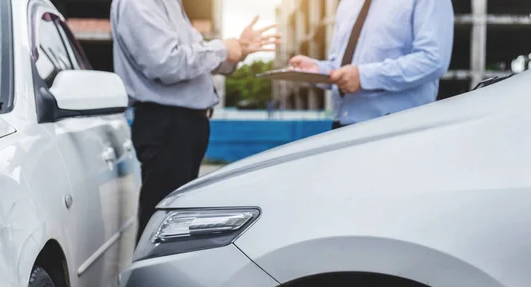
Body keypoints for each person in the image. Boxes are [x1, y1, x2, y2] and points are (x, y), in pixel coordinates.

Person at [111, 0, 279, 240]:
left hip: (180, 125)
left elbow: (193, 61)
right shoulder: (140, 3)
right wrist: (222, 48)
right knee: (163, 226)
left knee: (174, 224)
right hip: (168, 124)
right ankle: (153, 278)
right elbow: (166, 64)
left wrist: (237, 49)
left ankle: (161, 276)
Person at [290, 0, 454, 129]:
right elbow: (343, 67)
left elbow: (433, 60)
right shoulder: (347, 3)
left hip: (397, 130)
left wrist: (363, 77)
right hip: (341, 128)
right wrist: (319, 70)